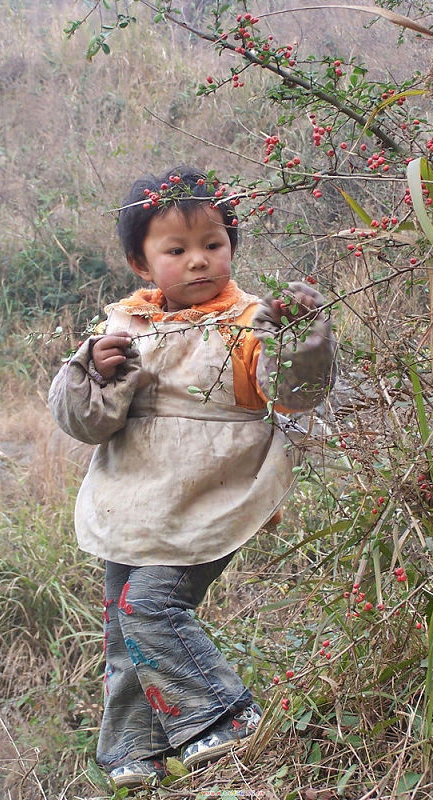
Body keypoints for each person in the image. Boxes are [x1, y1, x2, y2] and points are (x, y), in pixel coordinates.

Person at [48, 166, 337, 790]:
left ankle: (224, 714)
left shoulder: (250, 323)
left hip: (212, 494)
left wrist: (299, 345)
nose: (200, 261)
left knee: (150, 606)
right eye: (176, 250)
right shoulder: (124, 328)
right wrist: (88, 370)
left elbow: (292, 395)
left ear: (232, 244)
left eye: (214, 244)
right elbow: (86, 424)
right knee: (122, 620)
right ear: (140, 262)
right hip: (133, 496)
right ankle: (134, 750)